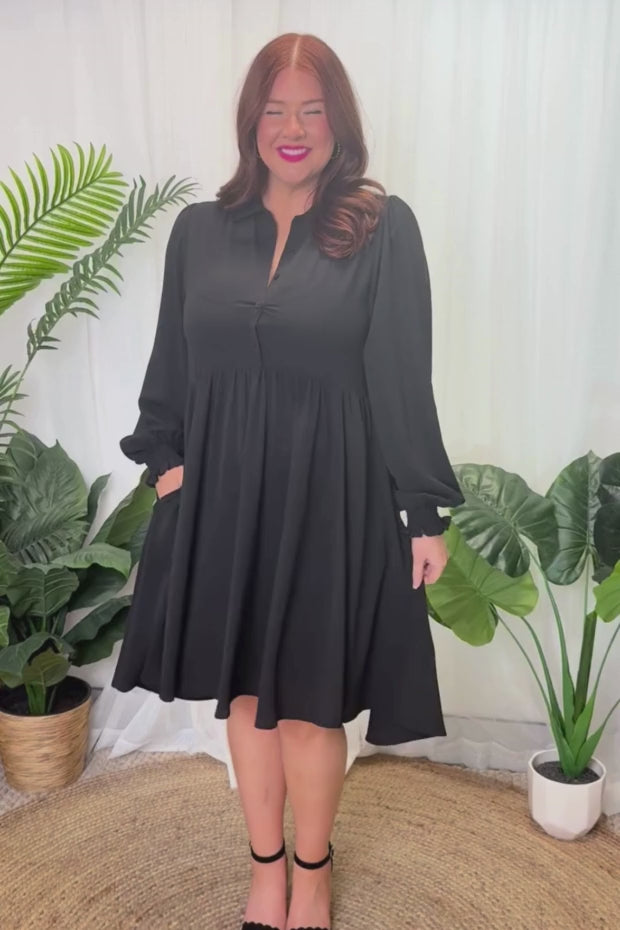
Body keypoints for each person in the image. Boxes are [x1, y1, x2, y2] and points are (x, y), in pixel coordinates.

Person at [112, 32, 464, 930]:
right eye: (276, 109)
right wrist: (166, 464)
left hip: (329, 496)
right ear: (251, 121)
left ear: (338, 122)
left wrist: (422, 510)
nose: (293, 128)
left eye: (312, 109)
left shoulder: (381, 227)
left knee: (309, 705)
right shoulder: (199, 231)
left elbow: (401, 374)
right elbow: (172, 360)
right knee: (244, 697)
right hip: (221, 498)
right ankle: (264, 867)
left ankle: (313, 869)